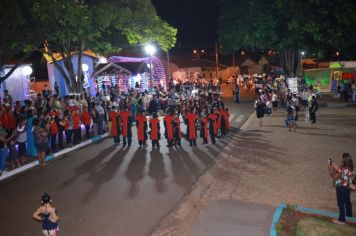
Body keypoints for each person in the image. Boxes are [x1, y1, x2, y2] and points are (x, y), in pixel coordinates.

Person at [328, 153, 355, 224]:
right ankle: (349, 216)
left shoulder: (341, 169)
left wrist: (330, 168)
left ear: (343, 160)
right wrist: (337, 168)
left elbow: (334, 176)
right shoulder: (351, 167)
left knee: (340, 203)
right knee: (347, 201)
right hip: (348, 187)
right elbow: (344, 173)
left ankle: (341, 219)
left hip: (341, 187)